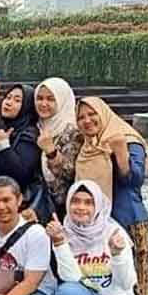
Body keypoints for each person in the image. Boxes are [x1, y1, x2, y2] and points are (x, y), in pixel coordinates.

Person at [37, 181, 137, 295]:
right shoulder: (64, 231)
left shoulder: (114, 233)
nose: (81, 207)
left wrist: (117, 255)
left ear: (98, 206)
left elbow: (127, 283)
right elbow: (71, 278)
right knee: (68, 291)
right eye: (75, 201)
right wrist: (59, 243)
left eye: (88, 202)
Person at [74, 96, 148, 295]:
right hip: (96, 225)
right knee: (105, 280)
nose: (87, 120)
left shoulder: (127, 139)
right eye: (81, 117)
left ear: (104, 113)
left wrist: (121, 154)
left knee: (135, 282)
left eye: (92, 114)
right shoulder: (87, 146)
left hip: (127, 220)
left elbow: (134, 181)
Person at [0, 84, 50, 222]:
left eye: (17, 100)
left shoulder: (29, 134)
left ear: (27, 106)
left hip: (15, 207)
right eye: (8, 97)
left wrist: (3, 146)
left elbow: (21, 174)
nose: (9, 102)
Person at [34, 77, 84, 220]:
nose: (43, 104)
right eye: (39, 98)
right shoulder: (38, 126)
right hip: (41, 204)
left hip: (66, 208)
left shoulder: (74, 131)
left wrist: (51, 152)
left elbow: (71, 174)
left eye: (51, 99)